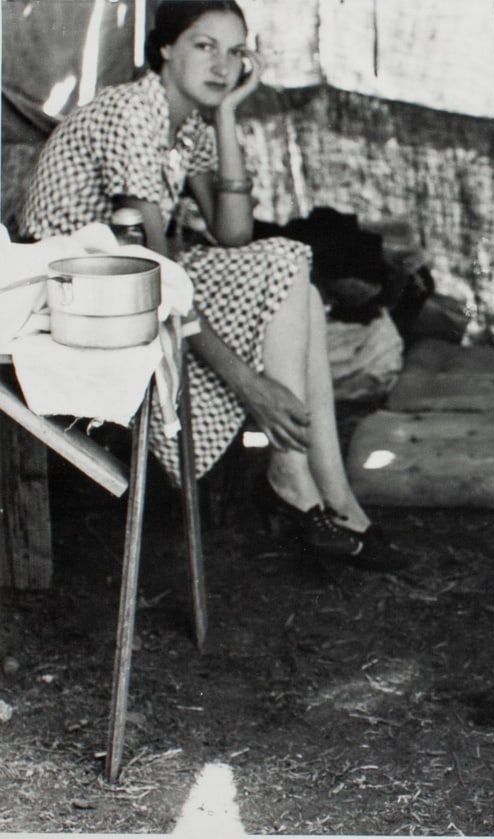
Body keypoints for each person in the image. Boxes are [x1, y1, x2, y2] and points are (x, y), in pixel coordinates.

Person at [17, 0, 405, 572]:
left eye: (235, 51)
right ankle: (300, 480)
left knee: (291, 269)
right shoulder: (133, 113)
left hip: (124, 284)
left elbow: (233, 233)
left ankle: (328, 494)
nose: (222, 64)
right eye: (205, 46)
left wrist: (226, 114)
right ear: (167, 48)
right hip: (68, 295)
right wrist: (248, 385)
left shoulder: (187, 123)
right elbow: (152, 273)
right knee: (286, 263)